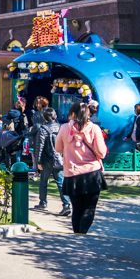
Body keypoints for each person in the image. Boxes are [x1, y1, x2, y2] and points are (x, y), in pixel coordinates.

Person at [56, 101, 108, 235]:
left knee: (77, 208)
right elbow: (102, 152)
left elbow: (58, 148)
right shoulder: (94, 128)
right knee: (89, 207)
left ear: (73, 114)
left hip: (72, 173)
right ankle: (83, 233)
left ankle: (77, 234)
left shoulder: (64, 128)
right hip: (92, 173)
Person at [34, 107, 68, 216]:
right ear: (55, 117)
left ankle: (43, 202)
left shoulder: (42, 129)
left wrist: (38, 162)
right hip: (59, 159)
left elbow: (39, 147)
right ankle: (66, 204)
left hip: (46, 159)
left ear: (44, 117)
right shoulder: (61, 128)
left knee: (43, 182)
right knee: (61, 183)